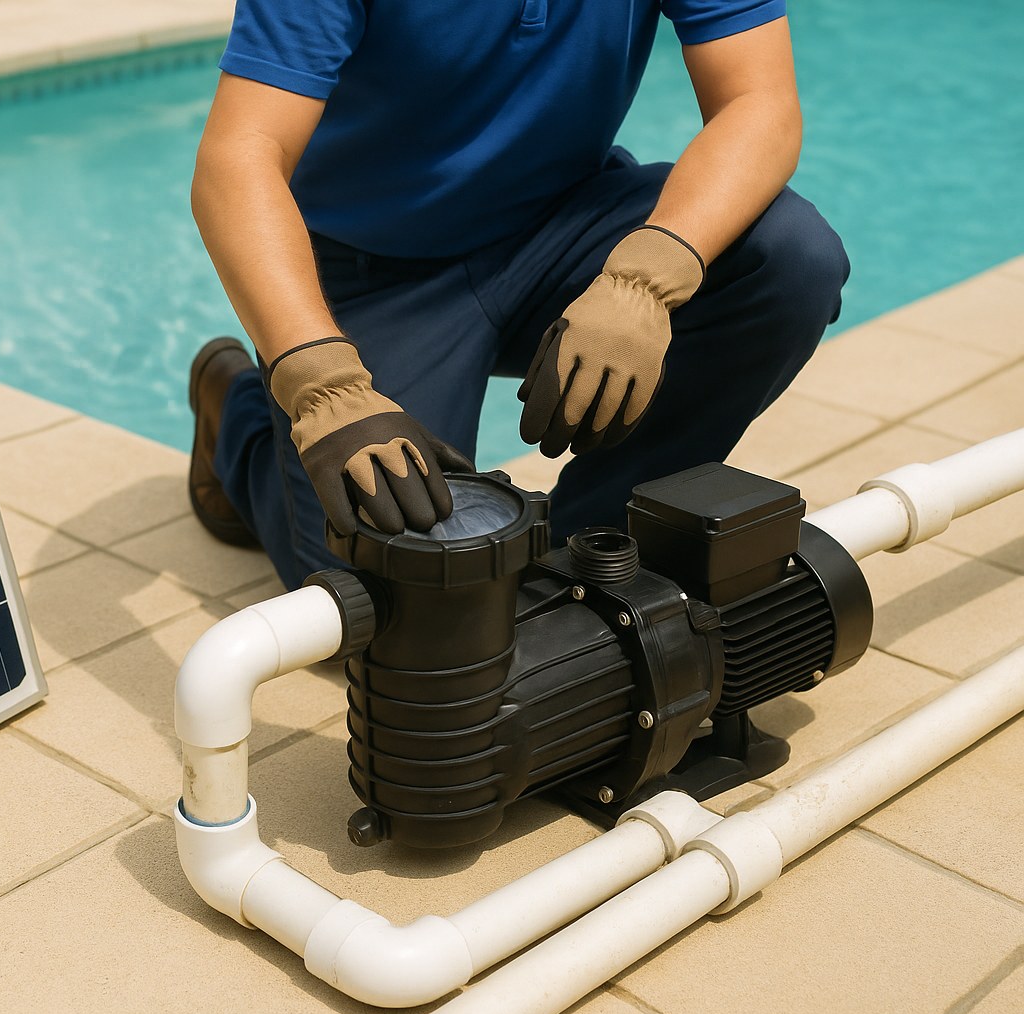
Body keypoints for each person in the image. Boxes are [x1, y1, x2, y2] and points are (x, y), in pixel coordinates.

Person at [186, 0, 849, 591]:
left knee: (788, 258)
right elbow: (240, 154)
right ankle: (237, 411)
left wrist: (643, 278)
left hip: (564, 227)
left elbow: (758, 103)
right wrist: (319, 384)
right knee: (386, 599)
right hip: (378, 269)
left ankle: (585, 545)